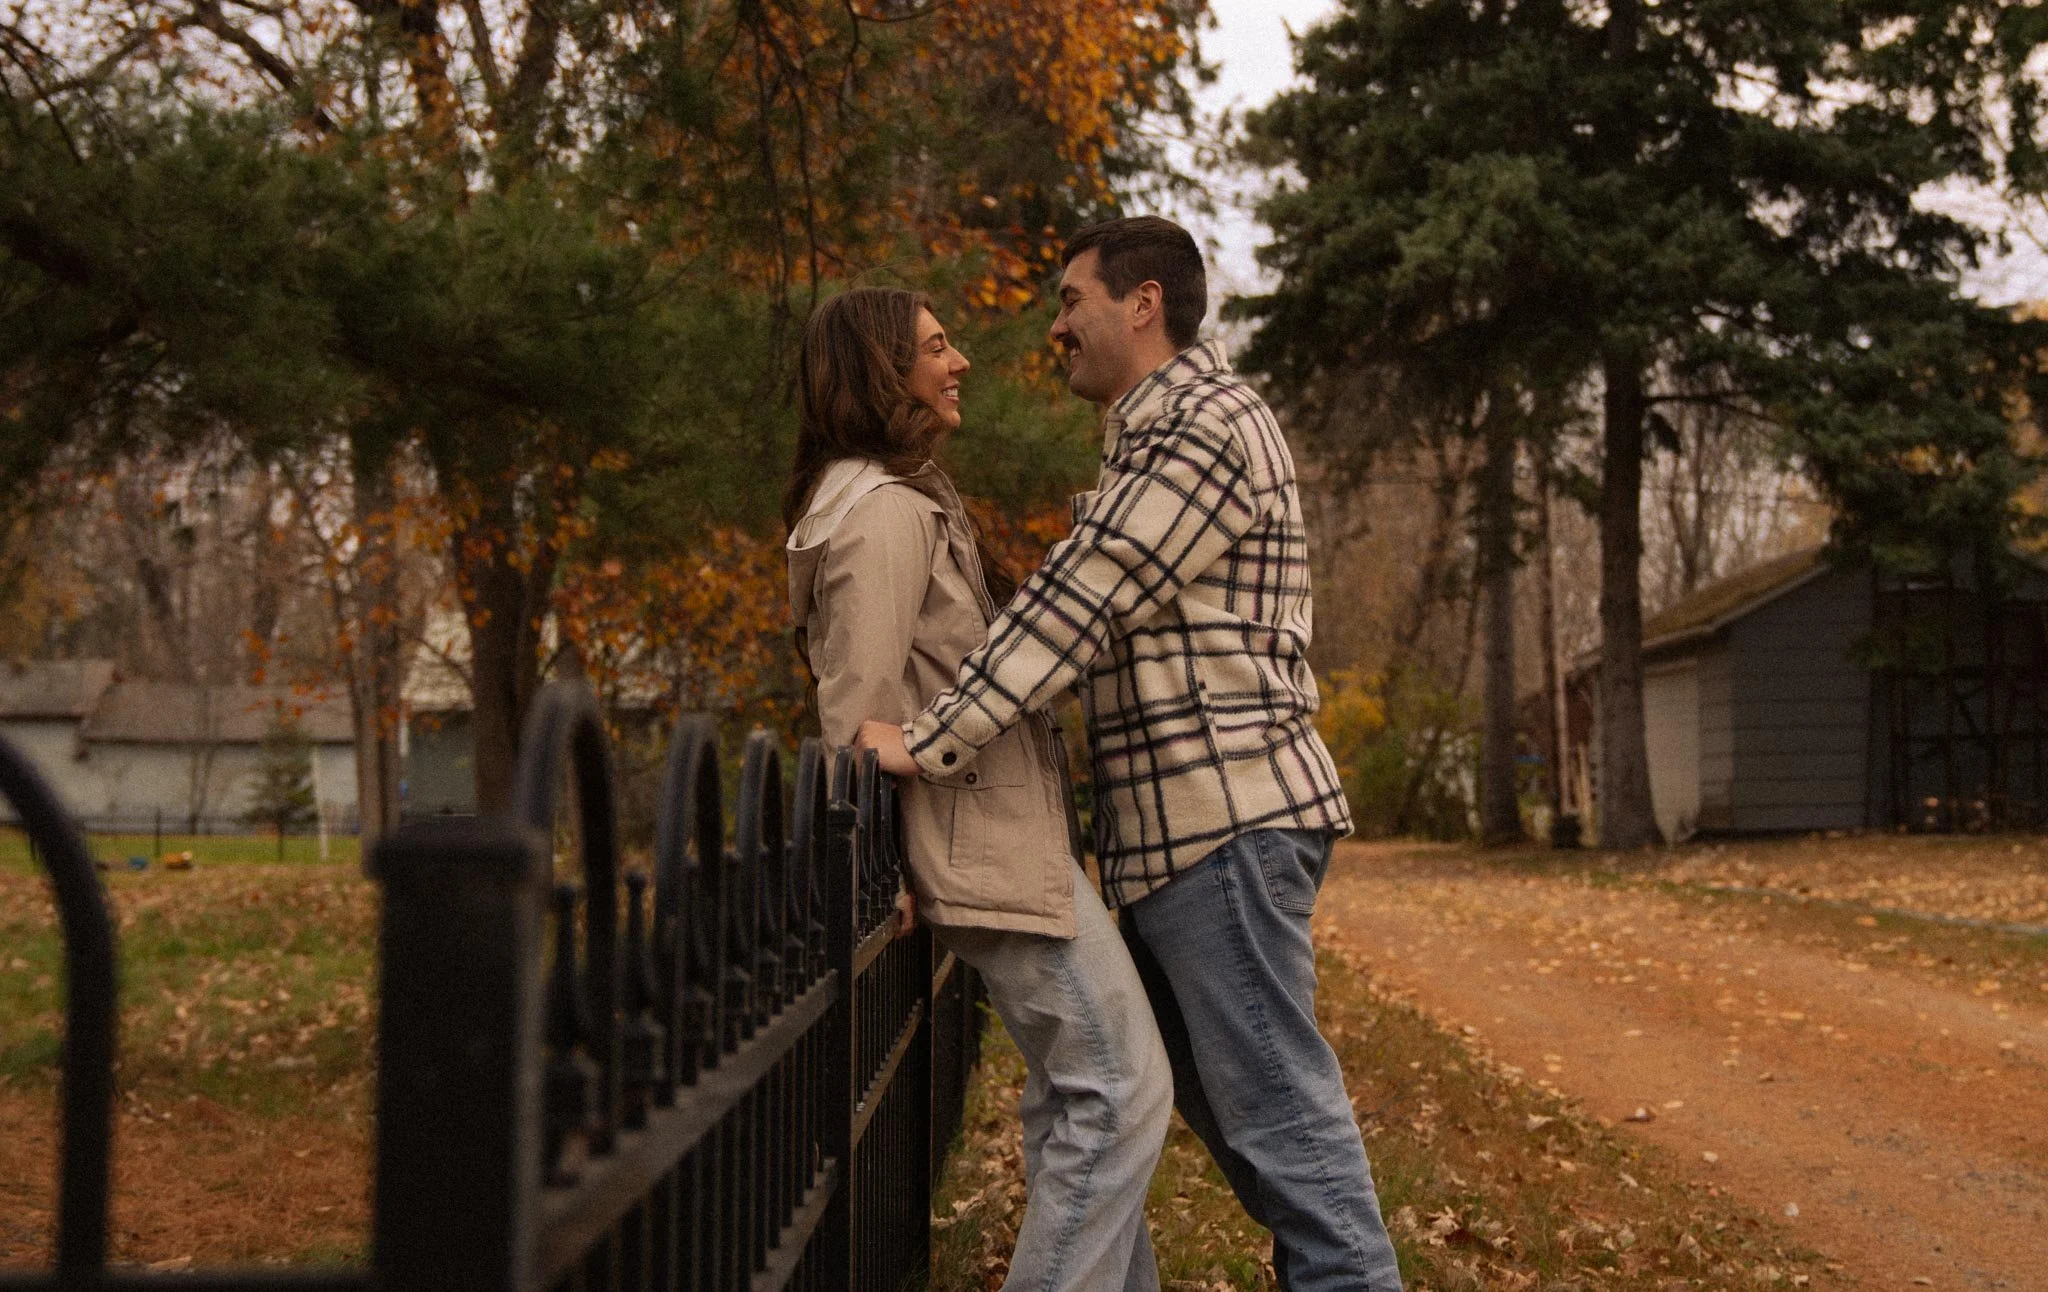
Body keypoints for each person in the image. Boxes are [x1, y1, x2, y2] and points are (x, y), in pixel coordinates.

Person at [857, 218, 1405, 1290]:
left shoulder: (1202, 423)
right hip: (1174, 846)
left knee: (1279, 1126)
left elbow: (1081, 597)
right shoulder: (1145, 438)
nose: (1055, 326)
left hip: (1227, 828)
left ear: (1141, 302)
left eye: (1071, 301)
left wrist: (927, 739)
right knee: (1108, 1095)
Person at [784, 287, 1172, 1292]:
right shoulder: (878, 519)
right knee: (1122, 1086)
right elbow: (859, 713)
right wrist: (875, 863)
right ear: (882, 373)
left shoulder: (895, 502)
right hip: (981, 846)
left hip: (997, 837)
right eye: (936, 347)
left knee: (1079, 1096)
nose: (959, 362)